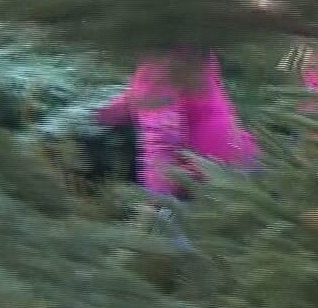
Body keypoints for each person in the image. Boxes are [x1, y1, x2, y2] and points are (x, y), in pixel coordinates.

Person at [94, 49, 259, 200]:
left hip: (210, 181)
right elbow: (159, 97)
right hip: (243, 161)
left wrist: (159, 204)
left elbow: (163, 140)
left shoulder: (157, 66)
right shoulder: (194, 51)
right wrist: (108, 112)